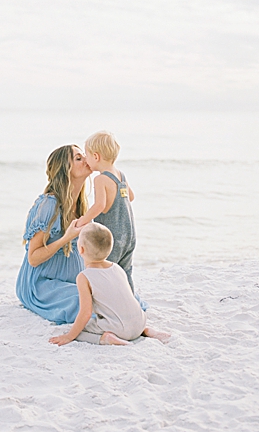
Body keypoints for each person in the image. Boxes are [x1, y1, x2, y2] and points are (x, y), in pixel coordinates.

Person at [49, 222, 170, 346]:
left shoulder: (84, 277)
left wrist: (69, 336)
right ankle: (147, 331)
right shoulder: (117, 268)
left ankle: (106, 338)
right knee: (123, 318)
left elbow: (85, 313)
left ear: (81, 249)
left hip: (118, 329)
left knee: (77, 330)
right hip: (140, 322)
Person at [15, 145, 91, 324]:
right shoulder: (49, 204)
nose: (86, 160)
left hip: (71, 282)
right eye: (79, 158)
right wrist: (66, 238)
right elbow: (33, 258)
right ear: (65, 170)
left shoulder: (82, 206)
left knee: (119, 294)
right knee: (85, 302)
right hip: (40, 285)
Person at [73, 130, 141, 299]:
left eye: (87, 155)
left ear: (96, 156)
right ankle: (129, 301)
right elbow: (130, 197)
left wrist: (83, 220)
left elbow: (100, 205)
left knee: (105, 270)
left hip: (112, 236)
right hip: (129, 234)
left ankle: (109, 302)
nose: (86, 160)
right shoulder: (120, 175)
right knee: (125, 271)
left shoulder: (101, 179)